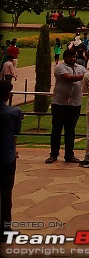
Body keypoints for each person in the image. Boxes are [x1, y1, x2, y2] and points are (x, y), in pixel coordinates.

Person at [46, 48, 86, 164]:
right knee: (56, 129)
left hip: (74, 104)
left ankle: (69, 155)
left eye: (74, 56)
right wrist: (86, 76)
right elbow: (69, 78)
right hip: (59, 103)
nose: (72, 58)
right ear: (65, 57)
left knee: (70, 130)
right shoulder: (60, 67)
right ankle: (53, 154)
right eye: (70, 57)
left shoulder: (81, 68)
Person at [0, 80, 23, 244]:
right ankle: (5, 228)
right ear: (8, 94)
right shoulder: (14, 112)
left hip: (7, 156)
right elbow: (16, 133)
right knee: (6, 194)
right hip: (7, 158)